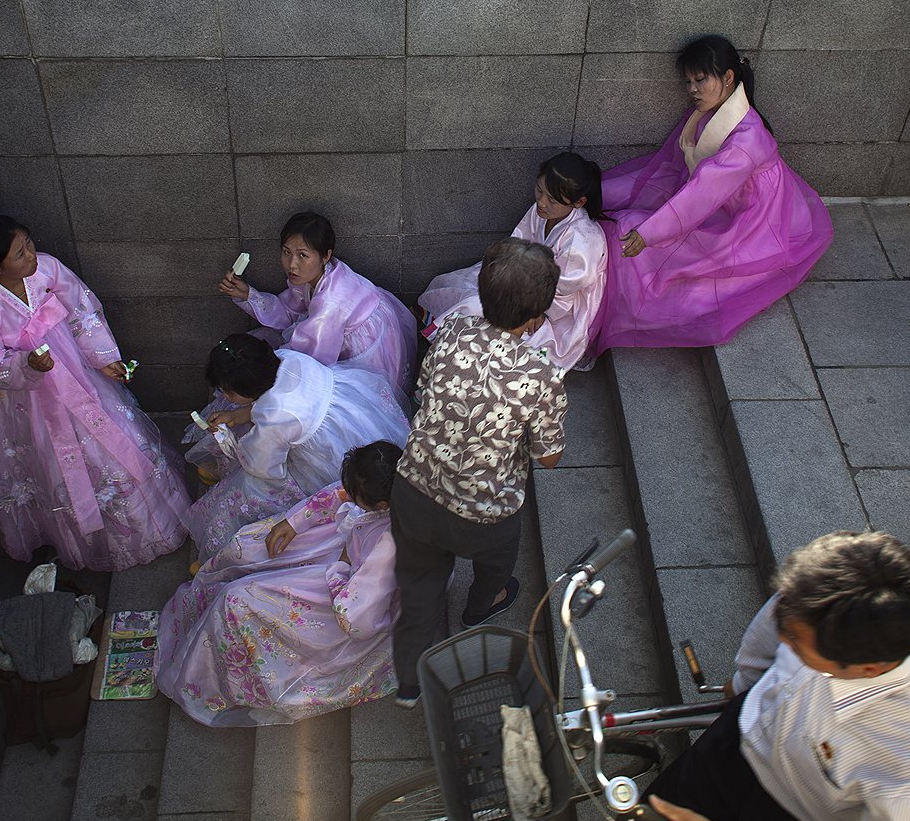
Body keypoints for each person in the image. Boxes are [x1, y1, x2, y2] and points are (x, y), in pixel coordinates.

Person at [640, 531, 910, 821]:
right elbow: (775, 622)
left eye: (797, 646)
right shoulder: (813, 602)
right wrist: (745, 683)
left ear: (868, 669)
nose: (781, 640)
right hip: (744, 736)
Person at [0, 216, 190, 571]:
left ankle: (154, 525)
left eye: (29, 244)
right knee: (59, 463)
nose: (31, 255)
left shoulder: (47, 269)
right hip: (29, 402)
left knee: (116, 443)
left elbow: (83, 311)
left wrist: (104, 358)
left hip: (79, 375)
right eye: (20, 254)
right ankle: (98, 542)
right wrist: (28, 366)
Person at [391, 238, 568, 708]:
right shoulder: (542, 374)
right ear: (535, 320)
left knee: (419, 587)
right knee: (496, 564)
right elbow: (547, 457)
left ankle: (408, 682)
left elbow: (425, 388)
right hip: (484, 514)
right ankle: (478, 607)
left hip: (413, 491)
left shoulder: (450, 332)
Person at [589, 34, 833, 355]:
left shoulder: (746, 141)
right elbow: (673, 172)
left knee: (650, 250)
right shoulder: (706, 115)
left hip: (752, 221)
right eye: (688, 81)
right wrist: (600, 194)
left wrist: (650, 233)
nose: (691, 89)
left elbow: (701, 195)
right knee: (629, 213)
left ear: (728, 78)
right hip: (719, 202)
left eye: (700, 80)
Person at [157, 442, 403, 726]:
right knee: (247, 546)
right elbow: (339, 494)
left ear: (381, 505)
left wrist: (341, 567)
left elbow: (359, 620)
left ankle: (216, 675)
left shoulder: (390, 545)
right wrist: (294, 522)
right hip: (342, 547)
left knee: (237, 600)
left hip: (351, 588)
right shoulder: (387, 487)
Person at [182, 334, 409, 564]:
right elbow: (277, 402)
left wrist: (229, 442)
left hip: (327, 454)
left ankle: (224, 551)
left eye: (228, 393)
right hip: (354, 417)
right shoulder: (285, 359)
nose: (224, 396)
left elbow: (263, 466)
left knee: (249, 489)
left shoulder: (274, 418)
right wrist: (237, 415)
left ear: (244, 390)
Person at [417, 152, 608, 371]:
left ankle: (452, 348)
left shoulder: (582, 240)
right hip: (526, 278)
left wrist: (538, 310)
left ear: (578, 202)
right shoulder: (542, 211)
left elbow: (566, 290)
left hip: (557, 306)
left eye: (552, 200)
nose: (541, 202)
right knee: (468, 288)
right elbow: (519, 240)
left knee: (488, 313)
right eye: (539, 190)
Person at [214, 210, 416, 406]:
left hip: (368, 349)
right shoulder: (317, 274)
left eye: (303, 255)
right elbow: (289, 310)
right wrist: (248, 294)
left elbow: (310, 355)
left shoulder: (332, 301)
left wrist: (258, 370)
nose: (292, 265)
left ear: (326, 256)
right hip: (336, 328)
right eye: (286, 252)